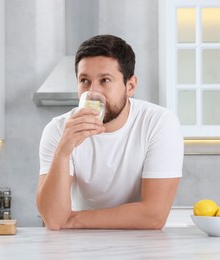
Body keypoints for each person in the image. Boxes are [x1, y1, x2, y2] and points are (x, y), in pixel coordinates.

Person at [36, 35, 183, 230]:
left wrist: (71, 219)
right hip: (79, 243)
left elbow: (153, 216)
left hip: (142, 244)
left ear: (130, 86)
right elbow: (53, 219)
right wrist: (63, 150)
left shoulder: (159, 123)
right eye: (84, 81)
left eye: (105, 80)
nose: (93, 92)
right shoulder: (58, 130)